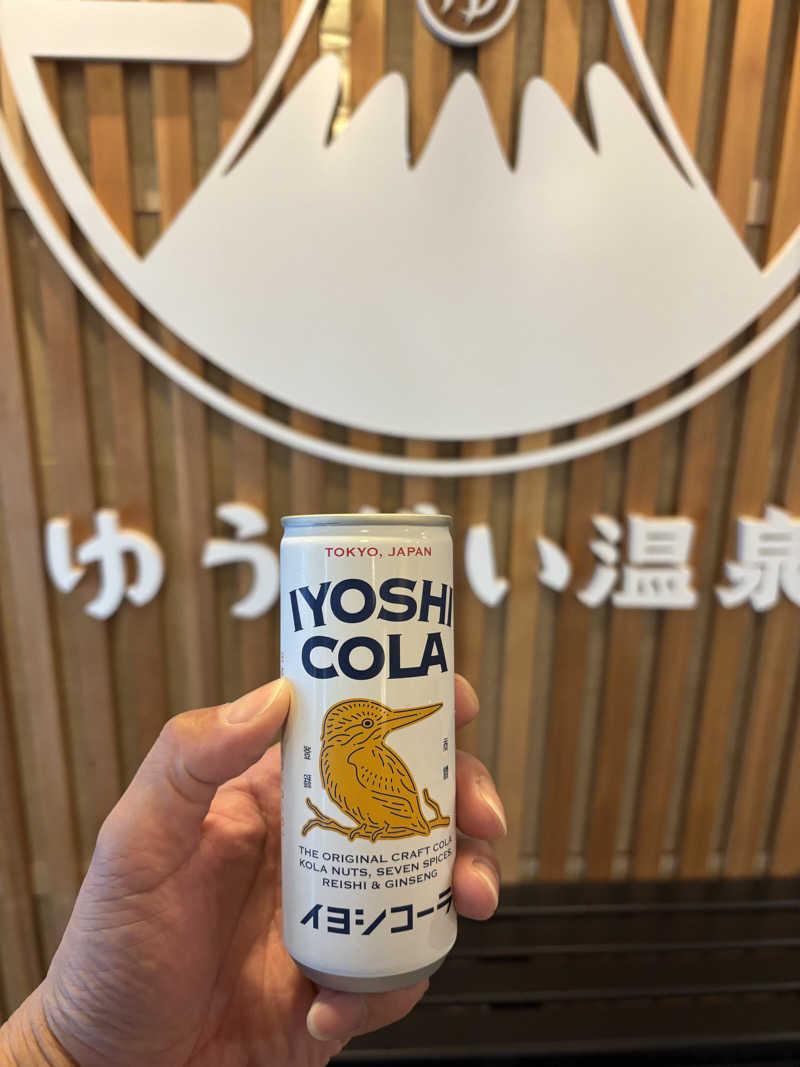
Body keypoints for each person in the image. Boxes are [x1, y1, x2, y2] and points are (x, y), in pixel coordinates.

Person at [0, 675, 505, 1066]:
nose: (386, 727)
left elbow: (400, 809)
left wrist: (54, 1053)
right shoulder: (335, 759)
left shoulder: (361, 759)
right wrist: (59, 1049)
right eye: (374, 724)